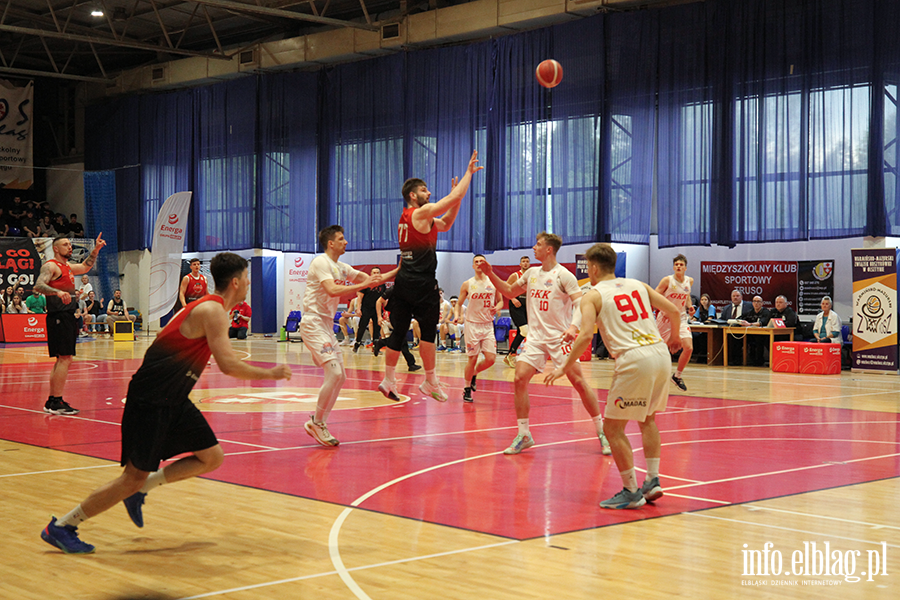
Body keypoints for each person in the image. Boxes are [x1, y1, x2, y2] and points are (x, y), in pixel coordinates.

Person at [40, 252, 292, 555]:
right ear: (236, 282)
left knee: (211, 457)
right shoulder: (212, 310)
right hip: (151, 399)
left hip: (173, 397)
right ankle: (63, 526)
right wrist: (272, 373)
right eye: (248, 280)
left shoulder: (207, 308)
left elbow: (170, 339)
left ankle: (142, 490)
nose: (249, 285)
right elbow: (228, 366)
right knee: (131, 478)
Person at [545, 243, 682, 509]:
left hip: (634, 358)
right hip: (660, 354)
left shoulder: (593, 295)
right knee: (648, 419)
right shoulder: (637, 284)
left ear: (593, 268)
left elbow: (585, 335)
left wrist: (563, 366)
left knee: (612, 428)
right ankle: (652, 479)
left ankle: (631, 490)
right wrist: (675, 337)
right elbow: (674, 311)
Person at [481, 232, 611, 456]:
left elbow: (581, 304)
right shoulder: (531, 273)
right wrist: (491, 274)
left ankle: (602, 431)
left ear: (549, 250)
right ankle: (524, 434)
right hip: (536, 339)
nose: (534, 248)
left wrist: (573, 327)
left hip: (559, 338)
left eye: (538, 245)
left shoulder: (564, 275)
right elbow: (510, 291)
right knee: (520, 378)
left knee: (579, 382)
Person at [377, 150, 483, 403]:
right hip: (422, 284)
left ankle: (388, 380)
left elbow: (445, 223)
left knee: (398, 332)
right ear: (413, 195)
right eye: (425, 190)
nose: (429, 193)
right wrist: (468, 174)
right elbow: (453, 197)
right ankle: (430, 380)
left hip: (403, 282)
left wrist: (456, 200)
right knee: (427, 334)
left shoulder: (413, 218)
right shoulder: (419, 213)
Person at [301, 225, 396, 447]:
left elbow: (375, 280)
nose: (346, 242)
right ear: (330, 243)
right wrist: (363, 285)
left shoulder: (342, 267)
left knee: (340, 377)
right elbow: (332, 290)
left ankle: (319, 422)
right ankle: (317, 422)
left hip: (325, 324)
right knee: (334, 373)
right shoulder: (320, 262)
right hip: (313, 322)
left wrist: (402, 269)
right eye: (341, 239)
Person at [33, 234, 106, 416]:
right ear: (56, 248)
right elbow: (38, 285)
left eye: (70, 244)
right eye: (65, 244)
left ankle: (53, 400)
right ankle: (55, 401)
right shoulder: (51, 266)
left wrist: (95, 250)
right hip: (59, 316)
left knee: (62, 359)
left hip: (66, 316)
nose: (70, 247)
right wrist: (57, 292)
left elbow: (86, 265)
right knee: (65, 358)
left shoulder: (68, 267)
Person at [456, 254, 503, 403]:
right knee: (472, 358)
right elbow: (458, 303)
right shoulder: (467, 284)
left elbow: (501, 301)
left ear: (486, 264)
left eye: (481, 262)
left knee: (491, 359)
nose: (478, 264)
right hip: (472, 324)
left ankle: (474, 373)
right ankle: (467, 388)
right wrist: (459, 315)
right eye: (475, 262)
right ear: (472, 266)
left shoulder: (493, 283)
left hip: (488, 325)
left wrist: (497, 307)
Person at [655, 254, 693, 391]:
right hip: (665, 319)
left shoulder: (689, 281)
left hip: (681, 318)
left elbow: (687, 296)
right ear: (673, 267)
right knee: (659, 350)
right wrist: (662, 309)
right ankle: (654, 376)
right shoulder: (667, 281)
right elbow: (655, 296)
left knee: (688, 347)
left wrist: (690, 306)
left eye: (681, 265)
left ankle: (677, 376)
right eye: (676, 264)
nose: (678, 266)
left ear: (685, 268)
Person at [373, 289, 422, 371]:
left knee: (401, 340)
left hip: (405, 316)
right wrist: (379, 316)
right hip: (396, 316)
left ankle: (381, 343)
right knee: (401, 339)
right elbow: (379, 301)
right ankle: (411, 363)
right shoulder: (393, 289)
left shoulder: (411, 290)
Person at [504, 255, 531, 367]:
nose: (525, 263)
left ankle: (514, 355)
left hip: (528, 304)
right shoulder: (515, 275)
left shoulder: (532, 276)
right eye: (523, 261)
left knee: (526, 332)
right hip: (517, 303)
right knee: (524, 331)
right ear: (520, 264)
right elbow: (505, 288)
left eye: (527, 261)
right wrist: (512, 298)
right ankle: (511, 354)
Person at [353, 268, 385, 353]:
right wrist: (358, 308)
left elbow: (384, 299)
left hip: (377, 309)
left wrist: (385, 311)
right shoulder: (366, 283)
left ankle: (375, 346)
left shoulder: (382, 285)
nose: (376, 274)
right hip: (366, 308)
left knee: (376, 328)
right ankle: (357, 343)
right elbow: (360, 297)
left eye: (377, 272)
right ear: (371, 273)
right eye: (374, 272)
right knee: (362, 327)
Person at [740, 296, 771, 366]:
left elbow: (762, 322)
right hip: (750, 334)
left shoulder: (766, 312)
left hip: (763, 334)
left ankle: (759, 361)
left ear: (762, 303)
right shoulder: (749, 312)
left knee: (759, 340)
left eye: (758, 301)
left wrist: (749, 324)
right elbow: (741, 318)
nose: (756, 303)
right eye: (754, 301)